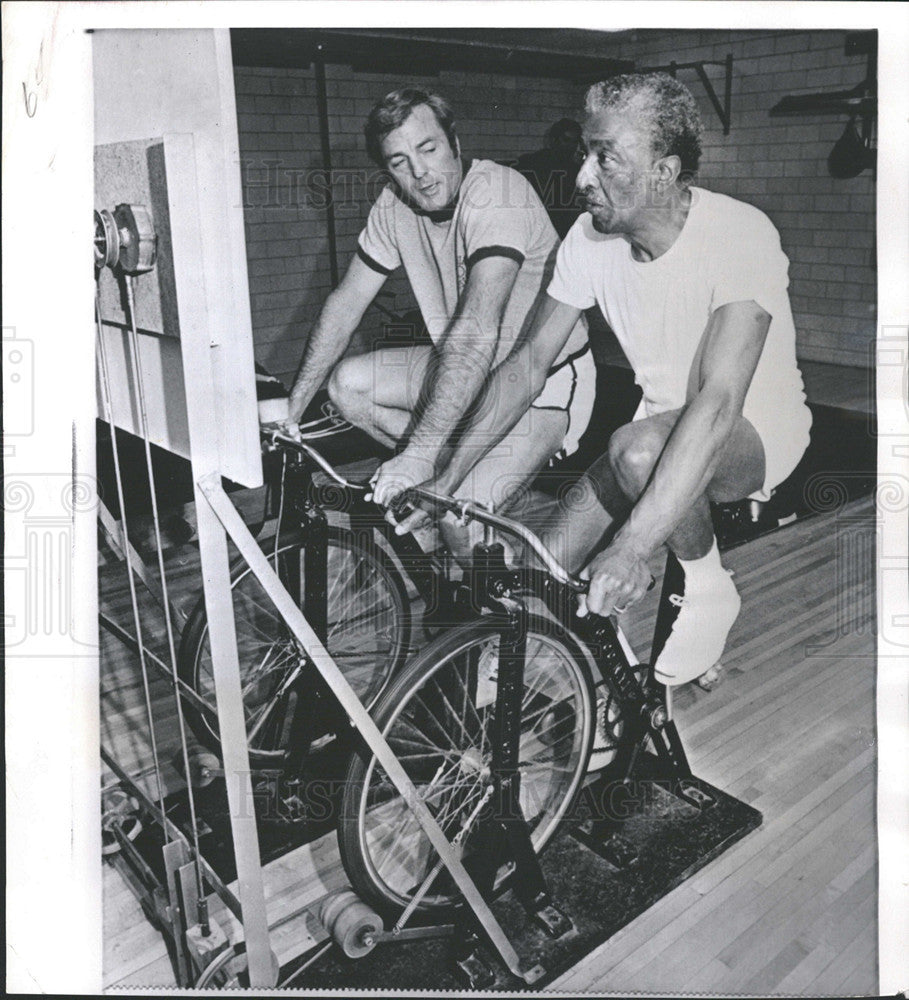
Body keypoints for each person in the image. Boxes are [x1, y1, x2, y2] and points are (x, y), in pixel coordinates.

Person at [399, 72, 812, 689]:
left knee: (639, 451)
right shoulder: (589, 240)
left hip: (755, 434)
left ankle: (709, 587)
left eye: (606, 159)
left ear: (664, 173)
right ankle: (606, 676)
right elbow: (528, 364)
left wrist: (633, 547)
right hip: (647, 439)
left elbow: (721, 402)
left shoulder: (741, 234)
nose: (582, 178)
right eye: (584, 155)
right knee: (537, 577)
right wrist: (446, 476)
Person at [284, 88, 595, 561]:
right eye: (399, 161)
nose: (419, 172)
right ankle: (455, 473)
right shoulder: (393, 208)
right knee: (346, 384)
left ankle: (501, 615)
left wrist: (418, 456)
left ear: (454, 141)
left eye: (428, 149)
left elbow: (475, 330)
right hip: (468, 371)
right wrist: (293, 408)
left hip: (543, 381)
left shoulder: (497, 193)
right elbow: (347, 302)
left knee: (456, 516)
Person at [516, 118, 585, 238]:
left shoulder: (576, 170)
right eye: (566, 140)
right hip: (534, 228)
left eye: (574, 142)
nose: (570, 146)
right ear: (554, 140)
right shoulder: (530, 163)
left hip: (562, 232)